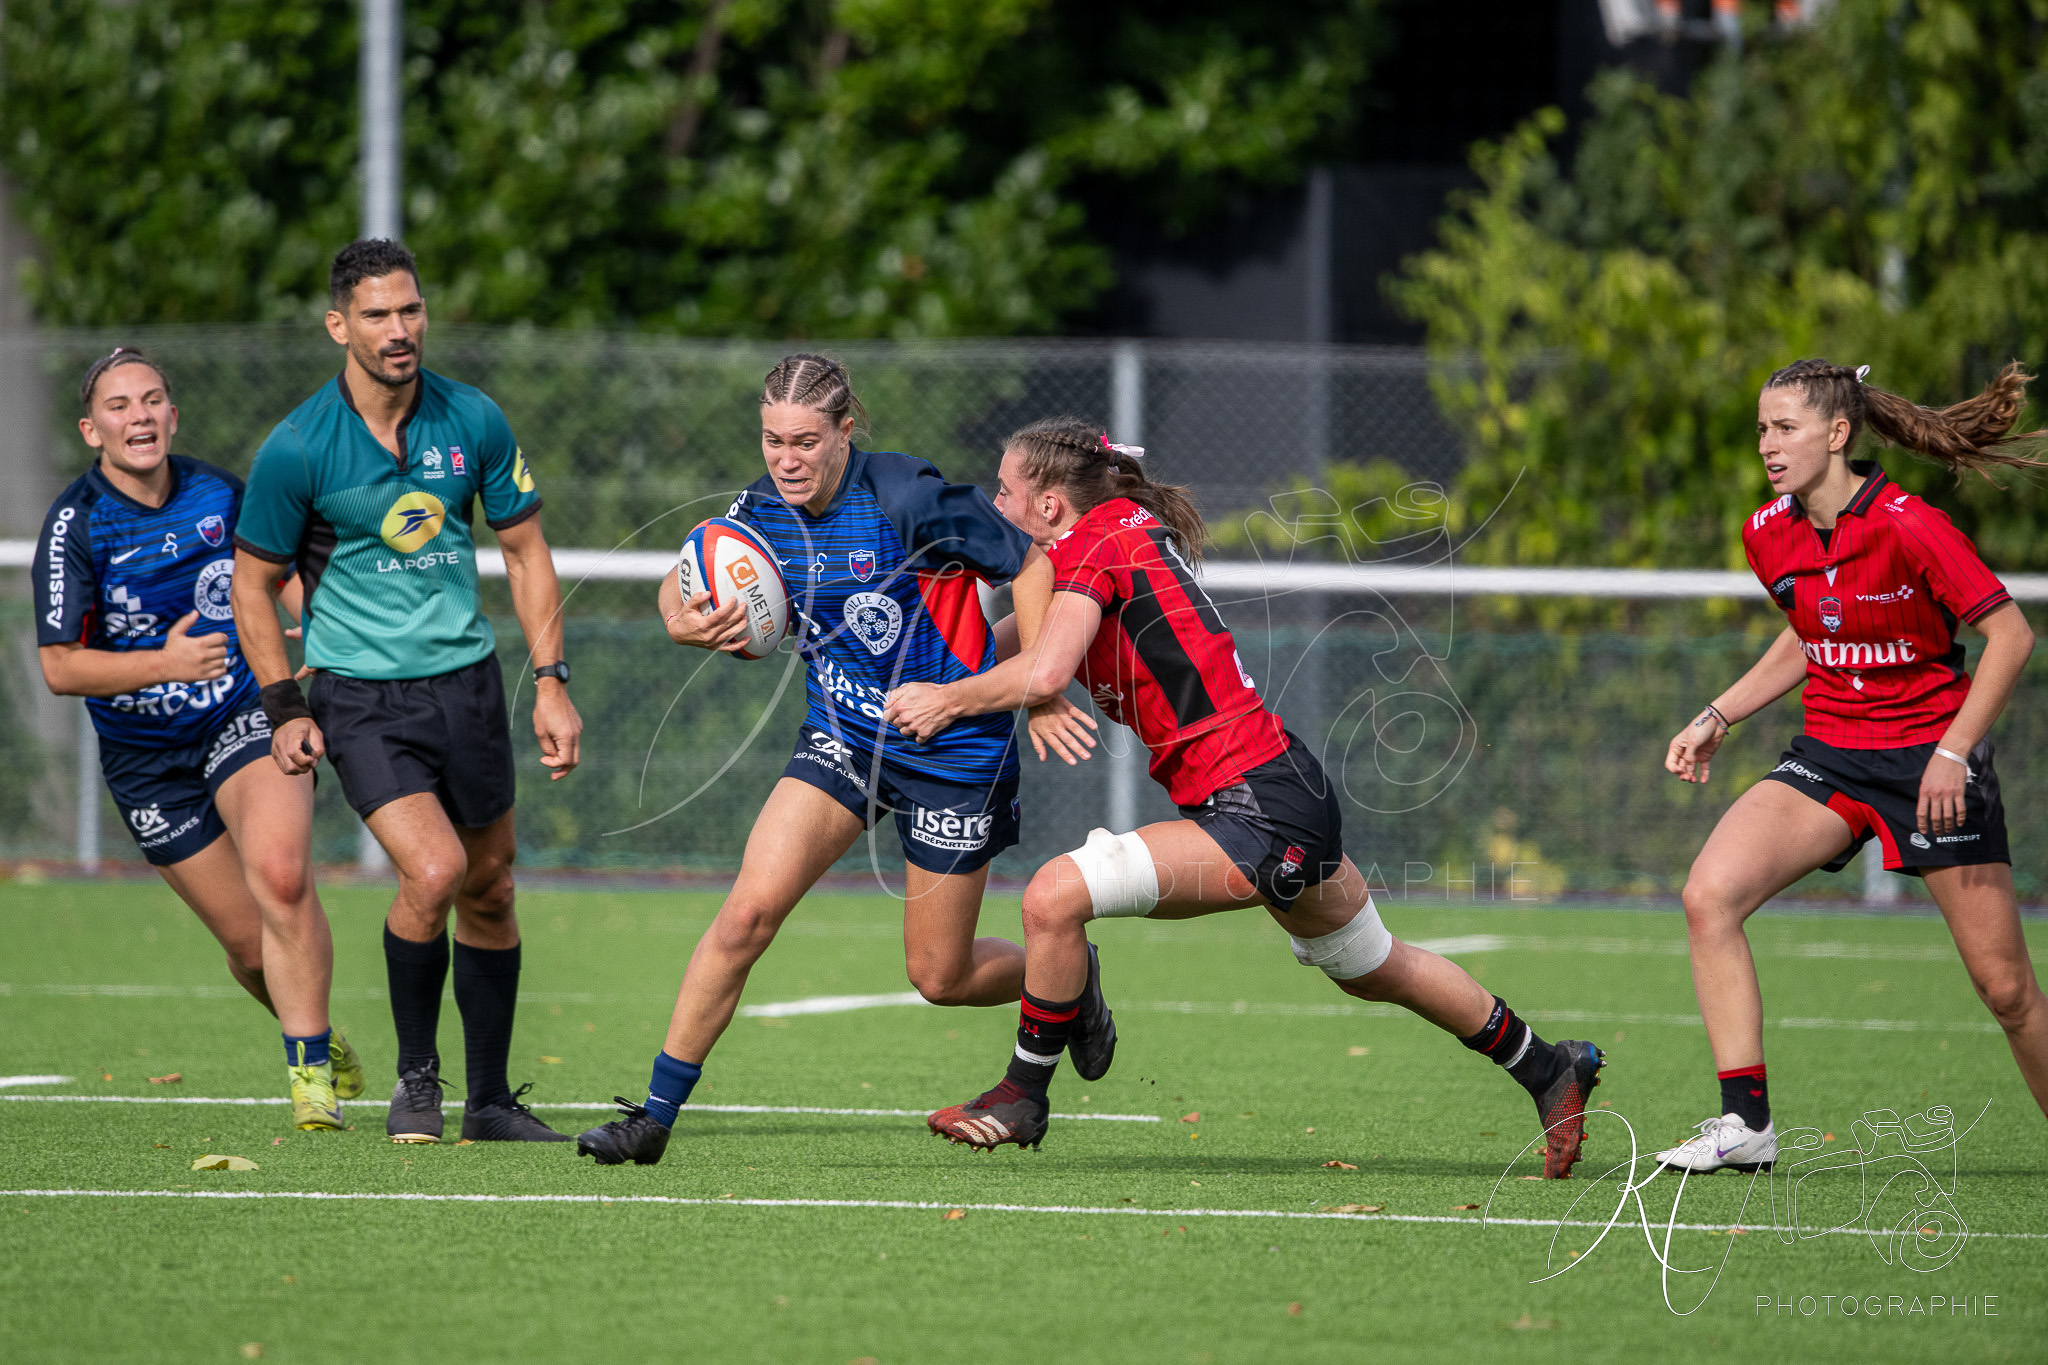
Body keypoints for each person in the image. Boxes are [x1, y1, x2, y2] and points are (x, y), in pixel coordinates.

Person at [881, 416, 1605, 1177]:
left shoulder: (1094, 547)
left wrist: (948, 700)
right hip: (1282, 787)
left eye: (1005, 489)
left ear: (1053, 504)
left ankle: (1022, 1096)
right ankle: (1548, 1064)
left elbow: (1046, 669)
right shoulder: (1118, 528)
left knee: (1053, 898)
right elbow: (1013, 648)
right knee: (1373, 964)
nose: (995, 504)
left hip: (1256, 804)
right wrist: (924, 658)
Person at [574, 354, 1104, 1166]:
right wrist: (679, 619)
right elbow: (692, 569)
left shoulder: (903, 495)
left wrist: (1037, 679)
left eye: (805, 441)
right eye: (772, 440)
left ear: (845, 430)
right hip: (843, 735)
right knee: (745, 916)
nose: (786, 459)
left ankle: (1067, 978)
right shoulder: (759, 508)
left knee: (940, 975)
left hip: (953, 748)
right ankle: (652, 1117)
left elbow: (1031, 558)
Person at [231, 238, 583, 1144]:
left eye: (412, 310)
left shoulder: (473, 419)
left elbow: (525, 550)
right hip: (358, 696)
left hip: (466, 686)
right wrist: (284, 704)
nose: (400, 330)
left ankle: (492, 1102)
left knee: (492, 889)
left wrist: (551, 682)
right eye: (379, 315)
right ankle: (416, 1081)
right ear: (338, 324)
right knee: (435, 872)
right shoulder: (298, 446)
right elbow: (252, 585)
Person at [1658, 359, 2047, 1172]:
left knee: (2007, 991)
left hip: (1930, 760)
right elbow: (1810, 631)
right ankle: (1746, 1124)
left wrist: (1952, 753)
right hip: (1832, 755)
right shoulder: (1767, 530)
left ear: (1837, 434)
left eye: (1786, 427)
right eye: (1762, 427)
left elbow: (2011, 635)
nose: (1768, 443)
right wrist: (1718, 713)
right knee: (1709, 895)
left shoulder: (1912, 524)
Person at [33, 347, 362, 1130]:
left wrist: (311, 618)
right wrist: (166, 662)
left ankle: (310, 1075)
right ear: (92, 429)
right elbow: (59, 667)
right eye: (119, 405)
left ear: (173, 416)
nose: (138, 415)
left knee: (281, 876)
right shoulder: (76, 525)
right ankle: (318, 1030)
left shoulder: (218, 492)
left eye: (152, 400)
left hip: (241, 716)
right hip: (147, 763)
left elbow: (274, 572)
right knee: (252, 949)